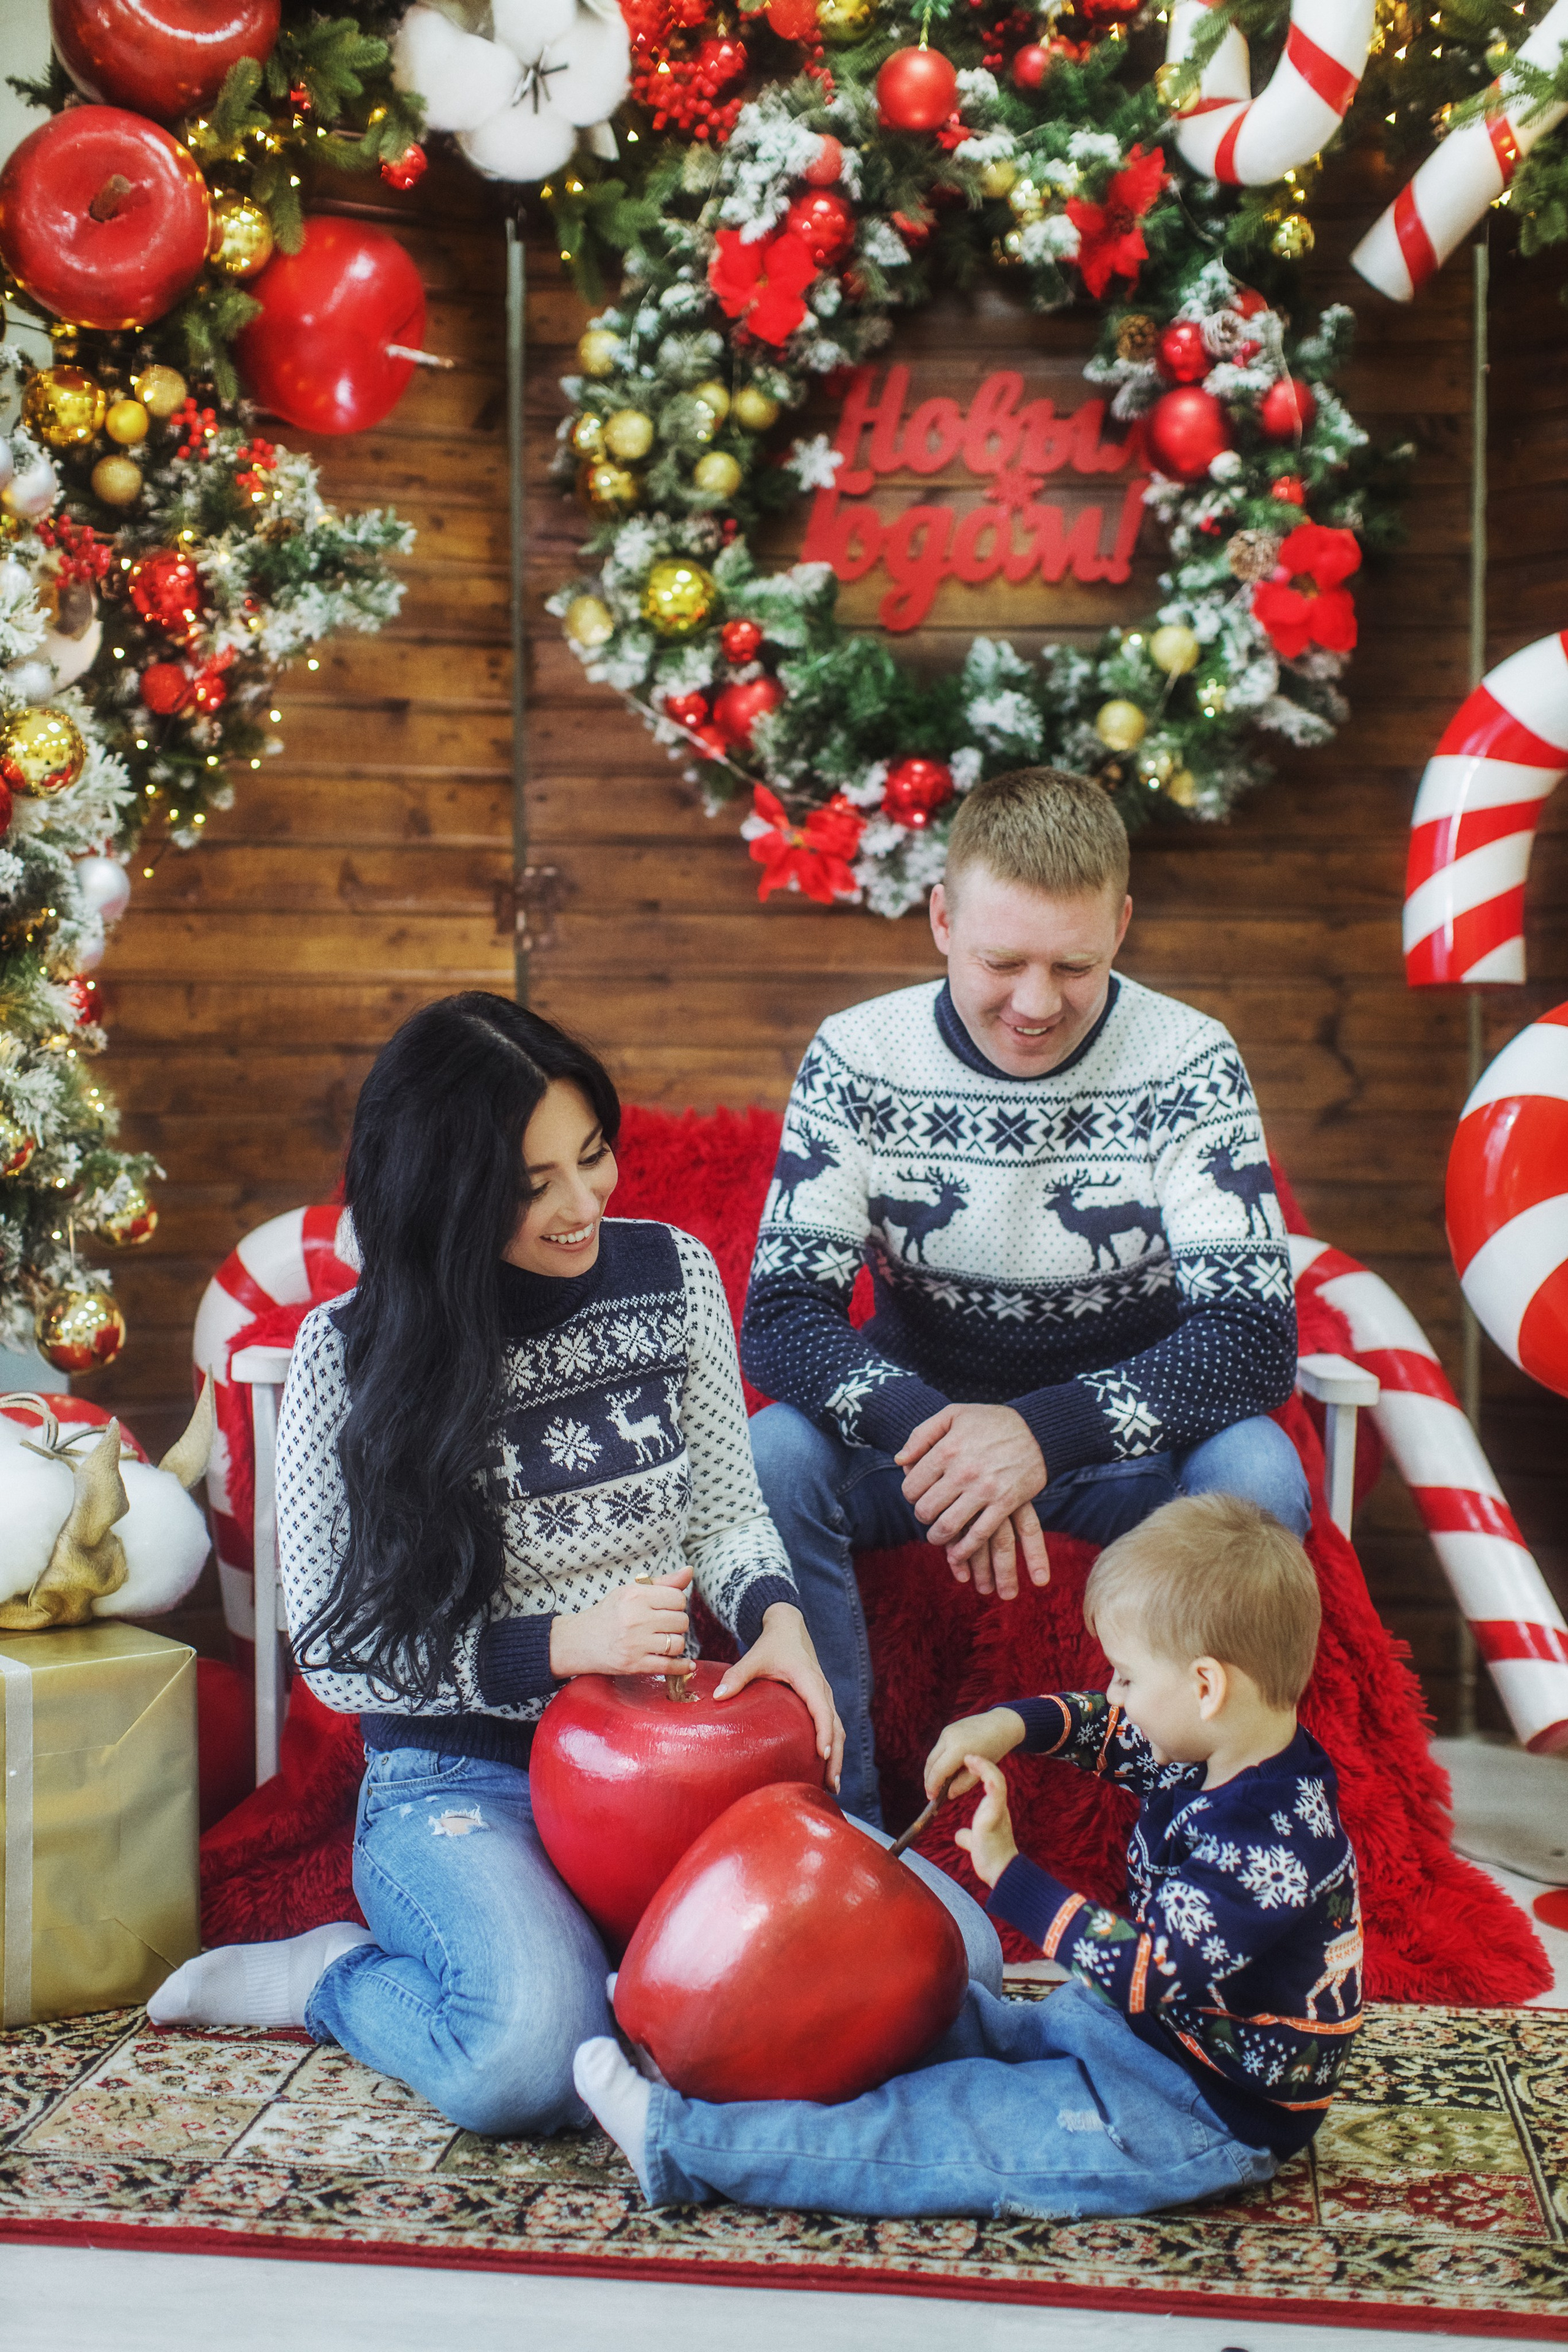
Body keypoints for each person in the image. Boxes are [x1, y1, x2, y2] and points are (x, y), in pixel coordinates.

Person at [152, 997, 891, 2131]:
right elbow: (341, 1657)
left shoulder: (672, 1273)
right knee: (526, 2065)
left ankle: (600, 1960)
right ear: (444, 1194)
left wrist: (777, 1618)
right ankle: (328, 1981)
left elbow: (728, 1517)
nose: (583, 1203)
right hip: (458, 1782)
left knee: (945, 1969)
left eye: (591, 1157)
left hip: (661, 1765)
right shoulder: (346, 1357)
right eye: (531, 1182)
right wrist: (559, 1646)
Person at [741, 765, 1310, 1822]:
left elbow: (1249, 1340)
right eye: (1003, 961)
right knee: (774, 1455)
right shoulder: (859, 1055)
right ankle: (840, 1824)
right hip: (915, 1454)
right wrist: (950, 1438)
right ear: (942, 918)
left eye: (1075, 966)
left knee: (1259, 1473)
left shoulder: (1191, 1059)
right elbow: (780, 1322)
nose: (1036, 1004)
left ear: (1123, 925)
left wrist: (1042, 1436)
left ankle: (1211, 1834)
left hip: (1121, 1456)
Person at [574, 1493, 1362, 2222]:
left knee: (939, 2133)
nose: (1113, 1696)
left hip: (1192, 2110)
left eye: (1126, 1676)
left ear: (1205, 1686)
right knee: (936, 2027)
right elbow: (1104, 1730)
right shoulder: (1222, 1745)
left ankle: (678, 2143)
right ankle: (690, 2047)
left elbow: (1147, 1972)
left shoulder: (1269, 1842)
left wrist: (1008, 1873)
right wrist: (1007, 1726)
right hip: (1142, 2037)